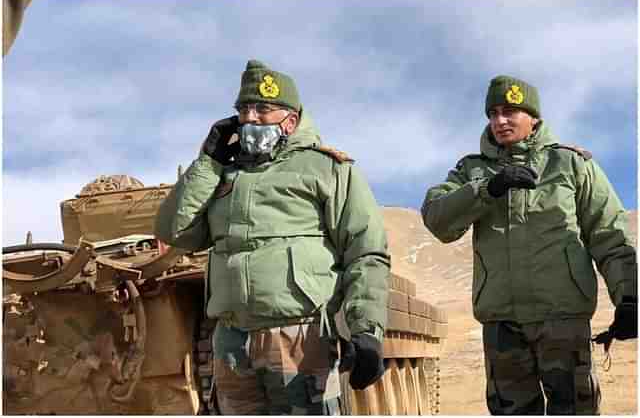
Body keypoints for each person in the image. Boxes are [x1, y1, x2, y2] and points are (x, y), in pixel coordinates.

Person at [155, 60, 390, 414]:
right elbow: (173, 230)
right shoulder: (222, 174)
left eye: (263, 109)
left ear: (290, 120)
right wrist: (208, 161)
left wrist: (367, 329)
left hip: (300, 337)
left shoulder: (327, 169)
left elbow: (366, 252)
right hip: (232, 341)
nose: (251, 118)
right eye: (243, 110)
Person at [421, 75, 637, 415]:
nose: (500, 121)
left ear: (533, 117)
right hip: (503, 327)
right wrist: (486, 189)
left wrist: (629, 297)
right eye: (493, 113)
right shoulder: (472, 170)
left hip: (562, 320)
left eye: (510, 111)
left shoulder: (571, 164)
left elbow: (610, 235)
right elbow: (437, 219)